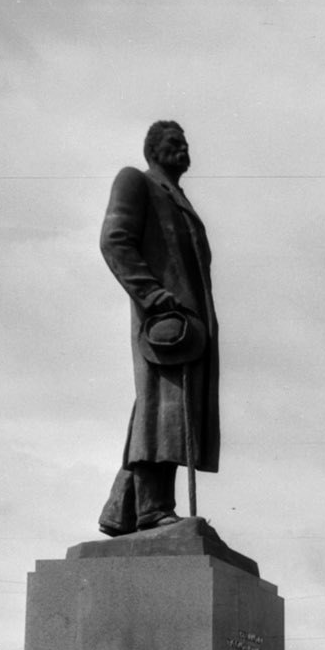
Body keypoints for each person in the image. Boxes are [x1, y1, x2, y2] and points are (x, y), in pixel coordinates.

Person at [97, 120, 220, 537]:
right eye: (174, 143)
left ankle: (124, 509)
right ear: (153, 149)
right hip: (162, 321)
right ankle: (151, 510)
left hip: (188, 326)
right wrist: (150, 295)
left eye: (186, 143)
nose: (184, 149)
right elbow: (115, 239)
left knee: (166, 411)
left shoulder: (179, 197)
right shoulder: (136, 181)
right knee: (161, 409)